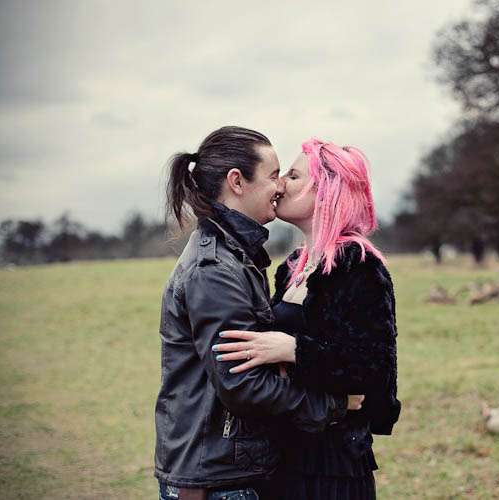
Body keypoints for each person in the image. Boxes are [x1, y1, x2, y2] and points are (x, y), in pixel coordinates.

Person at [155, 127, 363, 500]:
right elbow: (243, 385)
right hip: (218, 480)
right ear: (237, 182)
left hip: (227, 471)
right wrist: (334, 403)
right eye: (273, 175)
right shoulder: (215, 269)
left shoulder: (237, 255)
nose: (281, 186)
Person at [213, 138, 401, 500]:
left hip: (332, 466)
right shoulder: (291, 268)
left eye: (294, 176)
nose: (280, 184)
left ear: (326, 192)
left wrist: (294, 349)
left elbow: (373, 370)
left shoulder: (359, 266)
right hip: (283, 454)